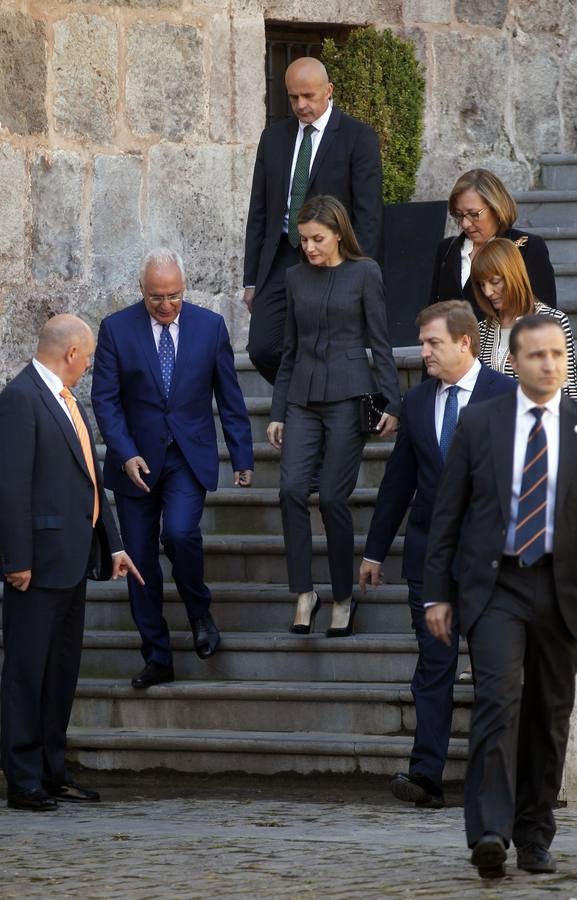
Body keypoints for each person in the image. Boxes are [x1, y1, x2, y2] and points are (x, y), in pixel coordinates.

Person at [424, 316, 577, 879]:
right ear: (513, 362)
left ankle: (534, 835)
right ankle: (489, 831)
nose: (549, 365)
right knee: (496, 700)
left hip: (562, 591)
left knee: (549, 713)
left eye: (558, 354)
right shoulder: (480, 422)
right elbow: (449, 513)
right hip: (497, 586)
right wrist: (436, 594)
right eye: (537, 356)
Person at [359, 301, 515, 809]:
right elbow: (398, 481)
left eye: (432, 343)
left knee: (496, 670)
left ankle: (498, 778)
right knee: (433, 665)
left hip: (495, 562)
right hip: (431, 560)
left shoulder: (506, 394)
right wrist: (375, 551)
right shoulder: (418, 401)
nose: (423, 352)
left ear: (464, 342)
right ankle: (425, 775)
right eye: (422, 342)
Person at [91, 248, 254, 689]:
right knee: (139, 559)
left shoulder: (209, 326)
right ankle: (157, 655)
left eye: (174, 297)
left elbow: (230, 396)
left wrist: (242, 456)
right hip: (135, 465)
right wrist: (124, 454)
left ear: (185, 289)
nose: (166, 306)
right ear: (141, 291)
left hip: (187, 455)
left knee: (180, 534)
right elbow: (104, 400)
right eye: (156, 298)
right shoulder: (116, 329)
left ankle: (199, 610)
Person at [0, 315, 142, 812]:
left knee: (60, 672)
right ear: (72, 354)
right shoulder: (21, 399)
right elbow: (11, 486)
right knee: (26, 672)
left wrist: (115, 545)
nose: (88, 366)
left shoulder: (67, 398)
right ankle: (22, 778)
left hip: (73, 561)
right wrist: (16, 559)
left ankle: (53, 769)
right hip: (36, 565)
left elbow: (89, 481)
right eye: (88, 357)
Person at [267, 195, 401, 636]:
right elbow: (289, 349)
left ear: (339, 233)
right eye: (303, 239)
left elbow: (380, 343)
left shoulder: (366, 273)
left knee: (330, 497)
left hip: (349, 396)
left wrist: (392, 402)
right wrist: (278, 410)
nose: (309, 247)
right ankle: (304, 592)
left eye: (317, 239)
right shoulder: (294, 277)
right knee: (289, 490)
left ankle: (343, 594)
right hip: (303, 397)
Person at [243, 56, 383, 385]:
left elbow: (369, 214)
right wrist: (251, 279)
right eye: (293, 97)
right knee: (263, 347)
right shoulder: (273, 138)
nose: (301, 105)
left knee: (324, 345)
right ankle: (302, 400)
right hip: (281, 257)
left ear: (328, 90)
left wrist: (360, 272)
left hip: (334, 260)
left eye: (309, 96)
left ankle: (311, 410)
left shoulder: (357, 137)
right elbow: (259, 211)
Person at [430, 168, 556, 318]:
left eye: (473, 214)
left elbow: (545, 316)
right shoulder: (446, 249)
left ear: (496, 208)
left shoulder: (527, 247)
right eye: (459, 215)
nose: (465, 224)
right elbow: (433, 311)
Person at [472, 237, 577, 399]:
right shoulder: (482, 329)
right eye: (482, 284)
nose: (487, 292)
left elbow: (568, 391)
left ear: (513, 275)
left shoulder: (552, 321)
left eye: (495, 282)